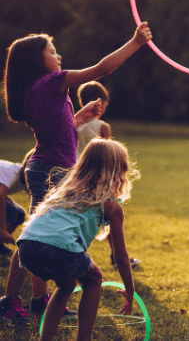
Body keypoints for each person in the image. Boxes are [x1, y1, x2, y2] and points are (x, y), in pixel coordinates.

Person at [0, 22, 152, 324]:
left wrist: (79, 117)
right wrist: (135, 42)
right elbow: (102, 69)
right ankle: (19, 300)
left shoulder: (33, 90)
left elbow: (56, 129)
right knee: (34, 236)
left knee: (34, 234)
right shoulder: (53, 82)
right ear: (36, 61)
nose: (58, 56)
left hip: (45, 167)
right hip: (52, 171)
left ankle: (31, 299)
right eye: (52, 52)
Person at [14, 139, 138, 341]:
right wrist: (130, 289)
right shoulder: (111, 205)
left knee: (66, 284)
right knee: (94, 278)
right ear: (118, 171)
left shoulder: (64, 191)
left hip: (27, 246)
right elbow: (121, 255)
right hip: (58, 249)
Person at [76, 80, 141, 270]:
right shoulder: (102, 126)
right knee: (110, 215)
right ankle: (117, 256)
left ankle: (80, 253)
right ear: (99, 103)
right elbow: (108, 154)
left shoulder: (76, 125)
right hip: (100, 177)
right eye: (105, 104)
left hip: (79, 175)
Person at [0, 150, 33, 260]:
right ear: (25, 167)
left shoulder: (26, 179)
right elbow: (1, 197)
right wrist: (3, 229)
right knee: (12, 211)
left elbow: (37, 202)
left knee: (20, 213)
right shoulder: (12, 173)